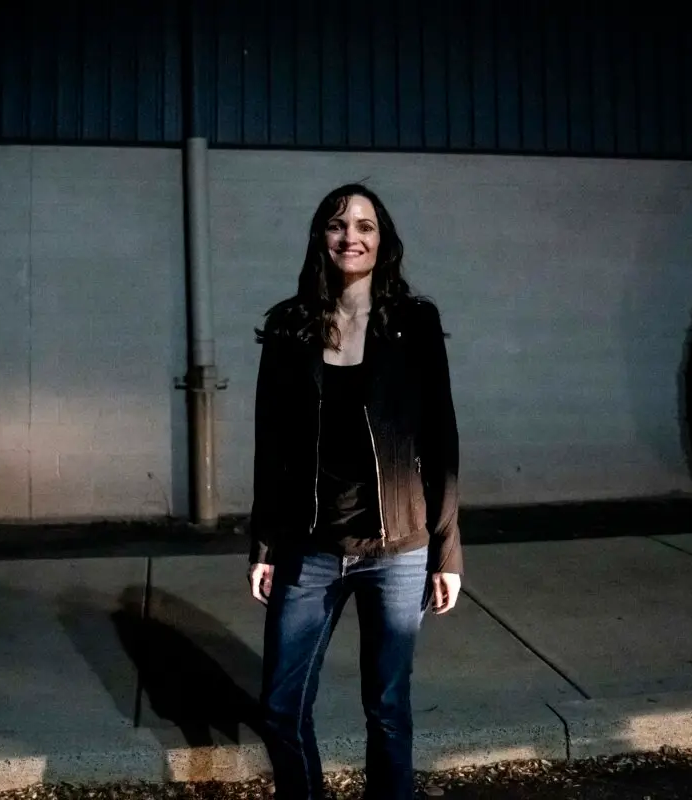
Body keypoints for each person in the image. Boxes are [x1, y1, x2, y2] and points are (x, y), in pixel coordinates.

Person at [247, 183, 463, 800]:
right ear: (322, 237)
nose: (352, 236)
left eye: (365, 226)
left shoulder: (414, 322)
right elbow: (272, 443)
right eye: (338, 225)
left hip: (397, 550)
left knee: (388, 710)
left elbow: (441, 439)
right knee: (281, 708)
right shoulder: (290, 325)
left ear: (382, 241)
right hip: (308, 548)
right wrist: (262, 542)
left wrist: (447, 549)